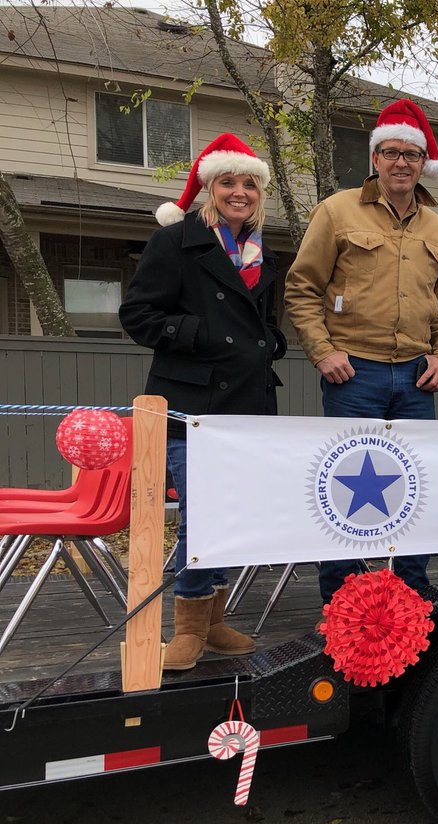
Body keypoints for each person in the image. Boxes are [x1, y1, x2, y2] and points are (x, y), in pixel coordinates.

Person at [285, 98, 438, 599]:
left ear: (423, 161)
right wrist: (322, 350)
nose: (401, 162)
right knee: (345, 492)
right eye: (391, 152)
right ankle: (339, 604)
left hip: (414, 379)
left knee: (414, 492)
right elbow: (301, 288)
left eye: (411, 154)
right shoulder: (336, 211)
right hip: (352, 376)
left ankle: (412, 599)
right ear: (375, 158)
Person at [120, 133, 284, 671]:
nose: (240, 192)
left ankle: (213, 622)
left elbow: (262, 322)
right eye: (229, 182)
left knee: (233, 514)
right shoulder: (175, 242)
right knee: (201, 516)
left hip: (248, 404)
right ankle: (187, 626)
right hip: (192, 403)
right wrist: (199, 334)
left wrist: (271, 342)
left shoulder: (263, 251)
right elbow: (138, 316)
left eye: (250, 184)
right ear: (210, 189)